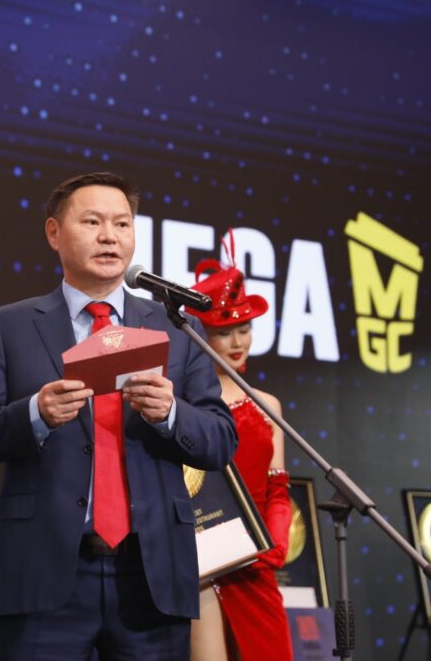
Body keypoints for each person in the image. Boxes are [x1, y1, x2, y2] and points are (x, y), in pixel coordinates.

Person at [0, 171, 238, 660]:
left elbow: (220, 440)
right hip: (43, 572)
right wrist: (34, 413)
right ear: (53, 232)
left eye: (122, 224)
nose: (109, 237)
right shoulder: (10, 326)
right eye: (93, 222)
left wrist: (171, 414)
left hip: (151, 575)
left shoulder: (175, 327)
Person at [186, 243, 294, 660]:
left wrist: (274, 544)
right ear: (201, 335)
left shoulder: (268, 405)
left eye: (244, 329)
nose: (237, 342)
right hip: (203, 564)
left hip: (256, 566)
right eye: (223, 332)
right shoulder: (183, 406)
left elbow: (277, 488)